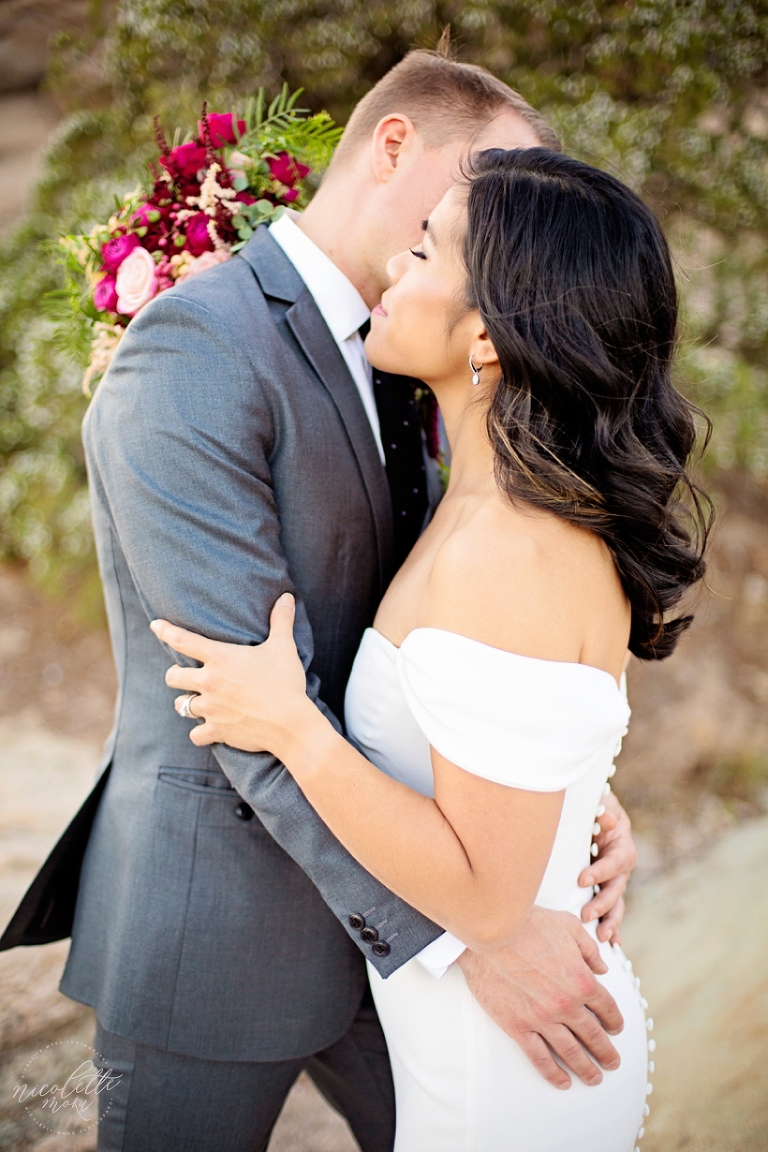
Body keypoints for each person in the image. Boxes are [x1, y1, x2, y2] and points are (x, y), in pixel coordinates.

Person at [2, 48, 636, 1152]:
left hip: (393, 916)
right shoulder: (200, 350)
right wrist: (470, 929)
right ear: (398, 145)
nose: (508, 219)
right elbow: (240, 702)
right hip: (226, 926)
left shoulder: (416, 353)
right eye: (482, 187)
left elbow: (461, 641)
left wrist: (554, 797)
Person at [153, 146, 710, 1150]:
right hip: (491, 1048)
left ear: (489, 337)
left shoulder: (512, 547)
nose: (388, 275)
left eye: (421, 253)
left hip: (504, 1074)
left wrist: (291, 727)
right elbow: (505, 724)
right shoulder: (493, 502)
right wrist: (577, 798)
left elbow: (491, 899)